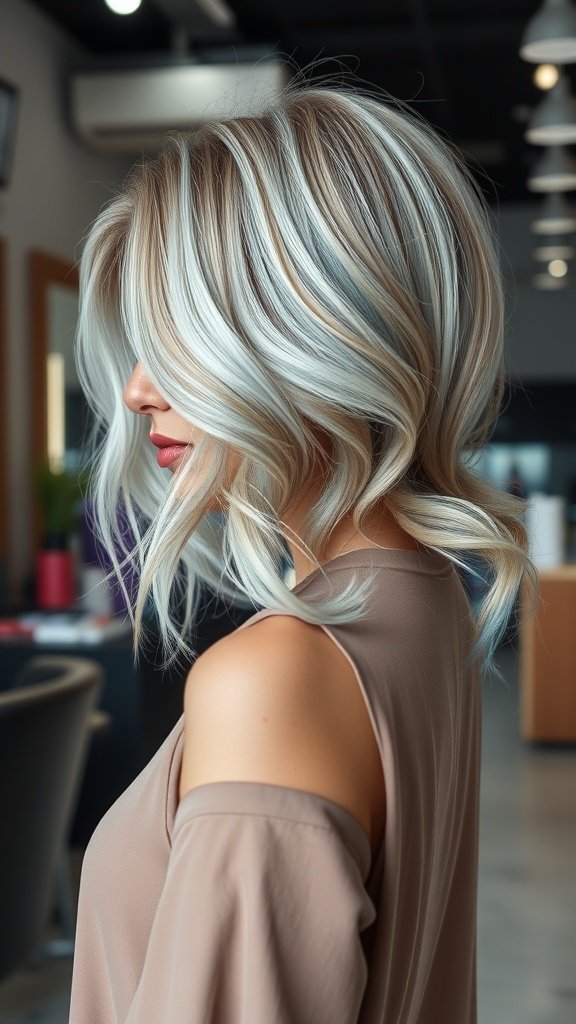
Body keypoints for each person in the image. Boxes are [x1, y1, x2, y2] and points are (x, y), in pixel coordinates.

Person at [68, 74, 538, 1023]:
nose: (138, 390)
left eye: (181, 336)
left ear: (310, 333)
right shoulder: (423, 595)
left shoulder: (278, 677)